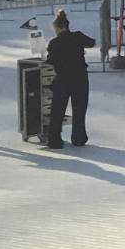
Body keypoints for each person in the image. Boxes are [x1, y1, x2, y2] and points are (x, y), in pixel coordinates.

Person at [43, 8, 92, 148]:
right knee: (79, 109)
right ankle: (79, 137)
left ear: (57, 27)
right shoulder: (78, 36)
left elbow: (50, 61)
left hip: (62, 78)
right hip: (80, 77)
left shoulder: (54, 43)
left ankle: (54, 139)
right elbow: (92, 42)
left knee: (57, 109)